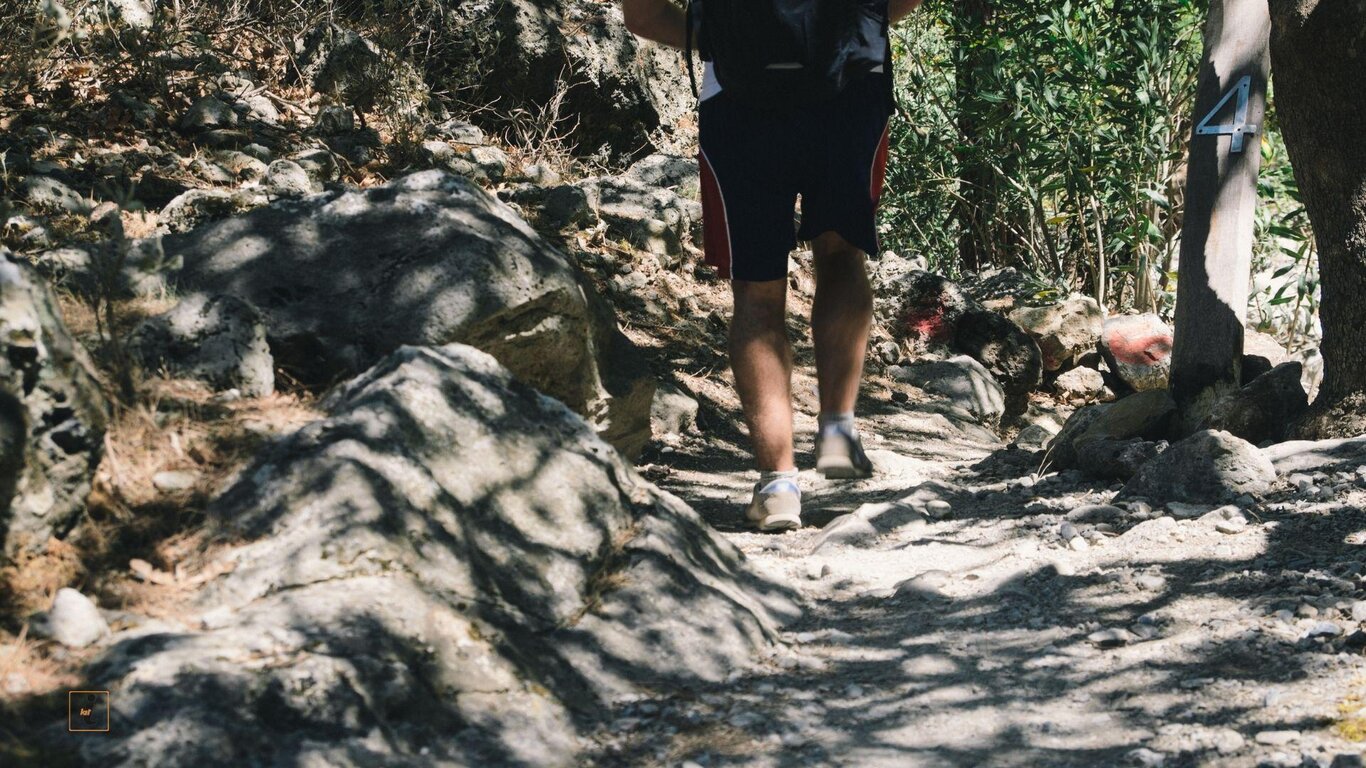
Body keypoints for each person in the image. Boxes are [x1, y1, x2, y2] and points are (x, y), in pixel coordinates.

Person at [623, 0, 923, 531]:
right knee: (841, 253)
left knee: (756, 293)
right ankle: (836, 431)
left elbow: (643, 17)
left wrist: (722, 35)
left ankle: (778, 486)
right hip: (852, 86)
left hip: (740, 99)